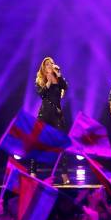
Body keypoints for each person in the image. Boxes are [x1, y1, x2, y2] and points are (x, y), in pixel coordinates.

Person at [35, 56, 70, 184]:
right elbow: (41, 94)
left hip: (57, 115)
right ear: (43, 67)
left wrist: (58, 74)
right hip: (44, 114)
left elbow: (65, 86)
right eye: (47, 64)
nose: (50, 65)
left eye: (52, 63)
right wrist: (48, 82)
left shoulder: (58, 78)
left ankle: (64, 174)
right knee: (37, 143)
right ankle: (33, 171)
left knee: (61, 144)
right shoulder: (40, 79)